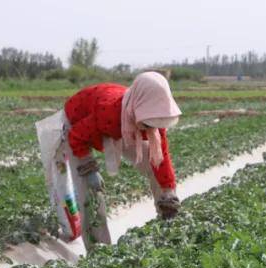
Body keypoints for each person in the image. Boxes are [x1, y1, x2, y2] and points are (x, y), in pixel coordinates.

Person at [35, 72, 182, 247]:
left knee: (154, 163)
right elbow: (77, 137)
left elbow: (160, 158)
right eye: (149, 124)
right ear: (138, 108)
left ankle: (167, 221)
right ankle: (98, 251)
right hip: (77, 125)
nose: (152, 129)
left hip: (122, 124)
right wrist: (89, 171)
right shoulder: (109, 113)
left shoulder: (154, 116)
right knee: (89, 194)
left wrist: (168, 193)